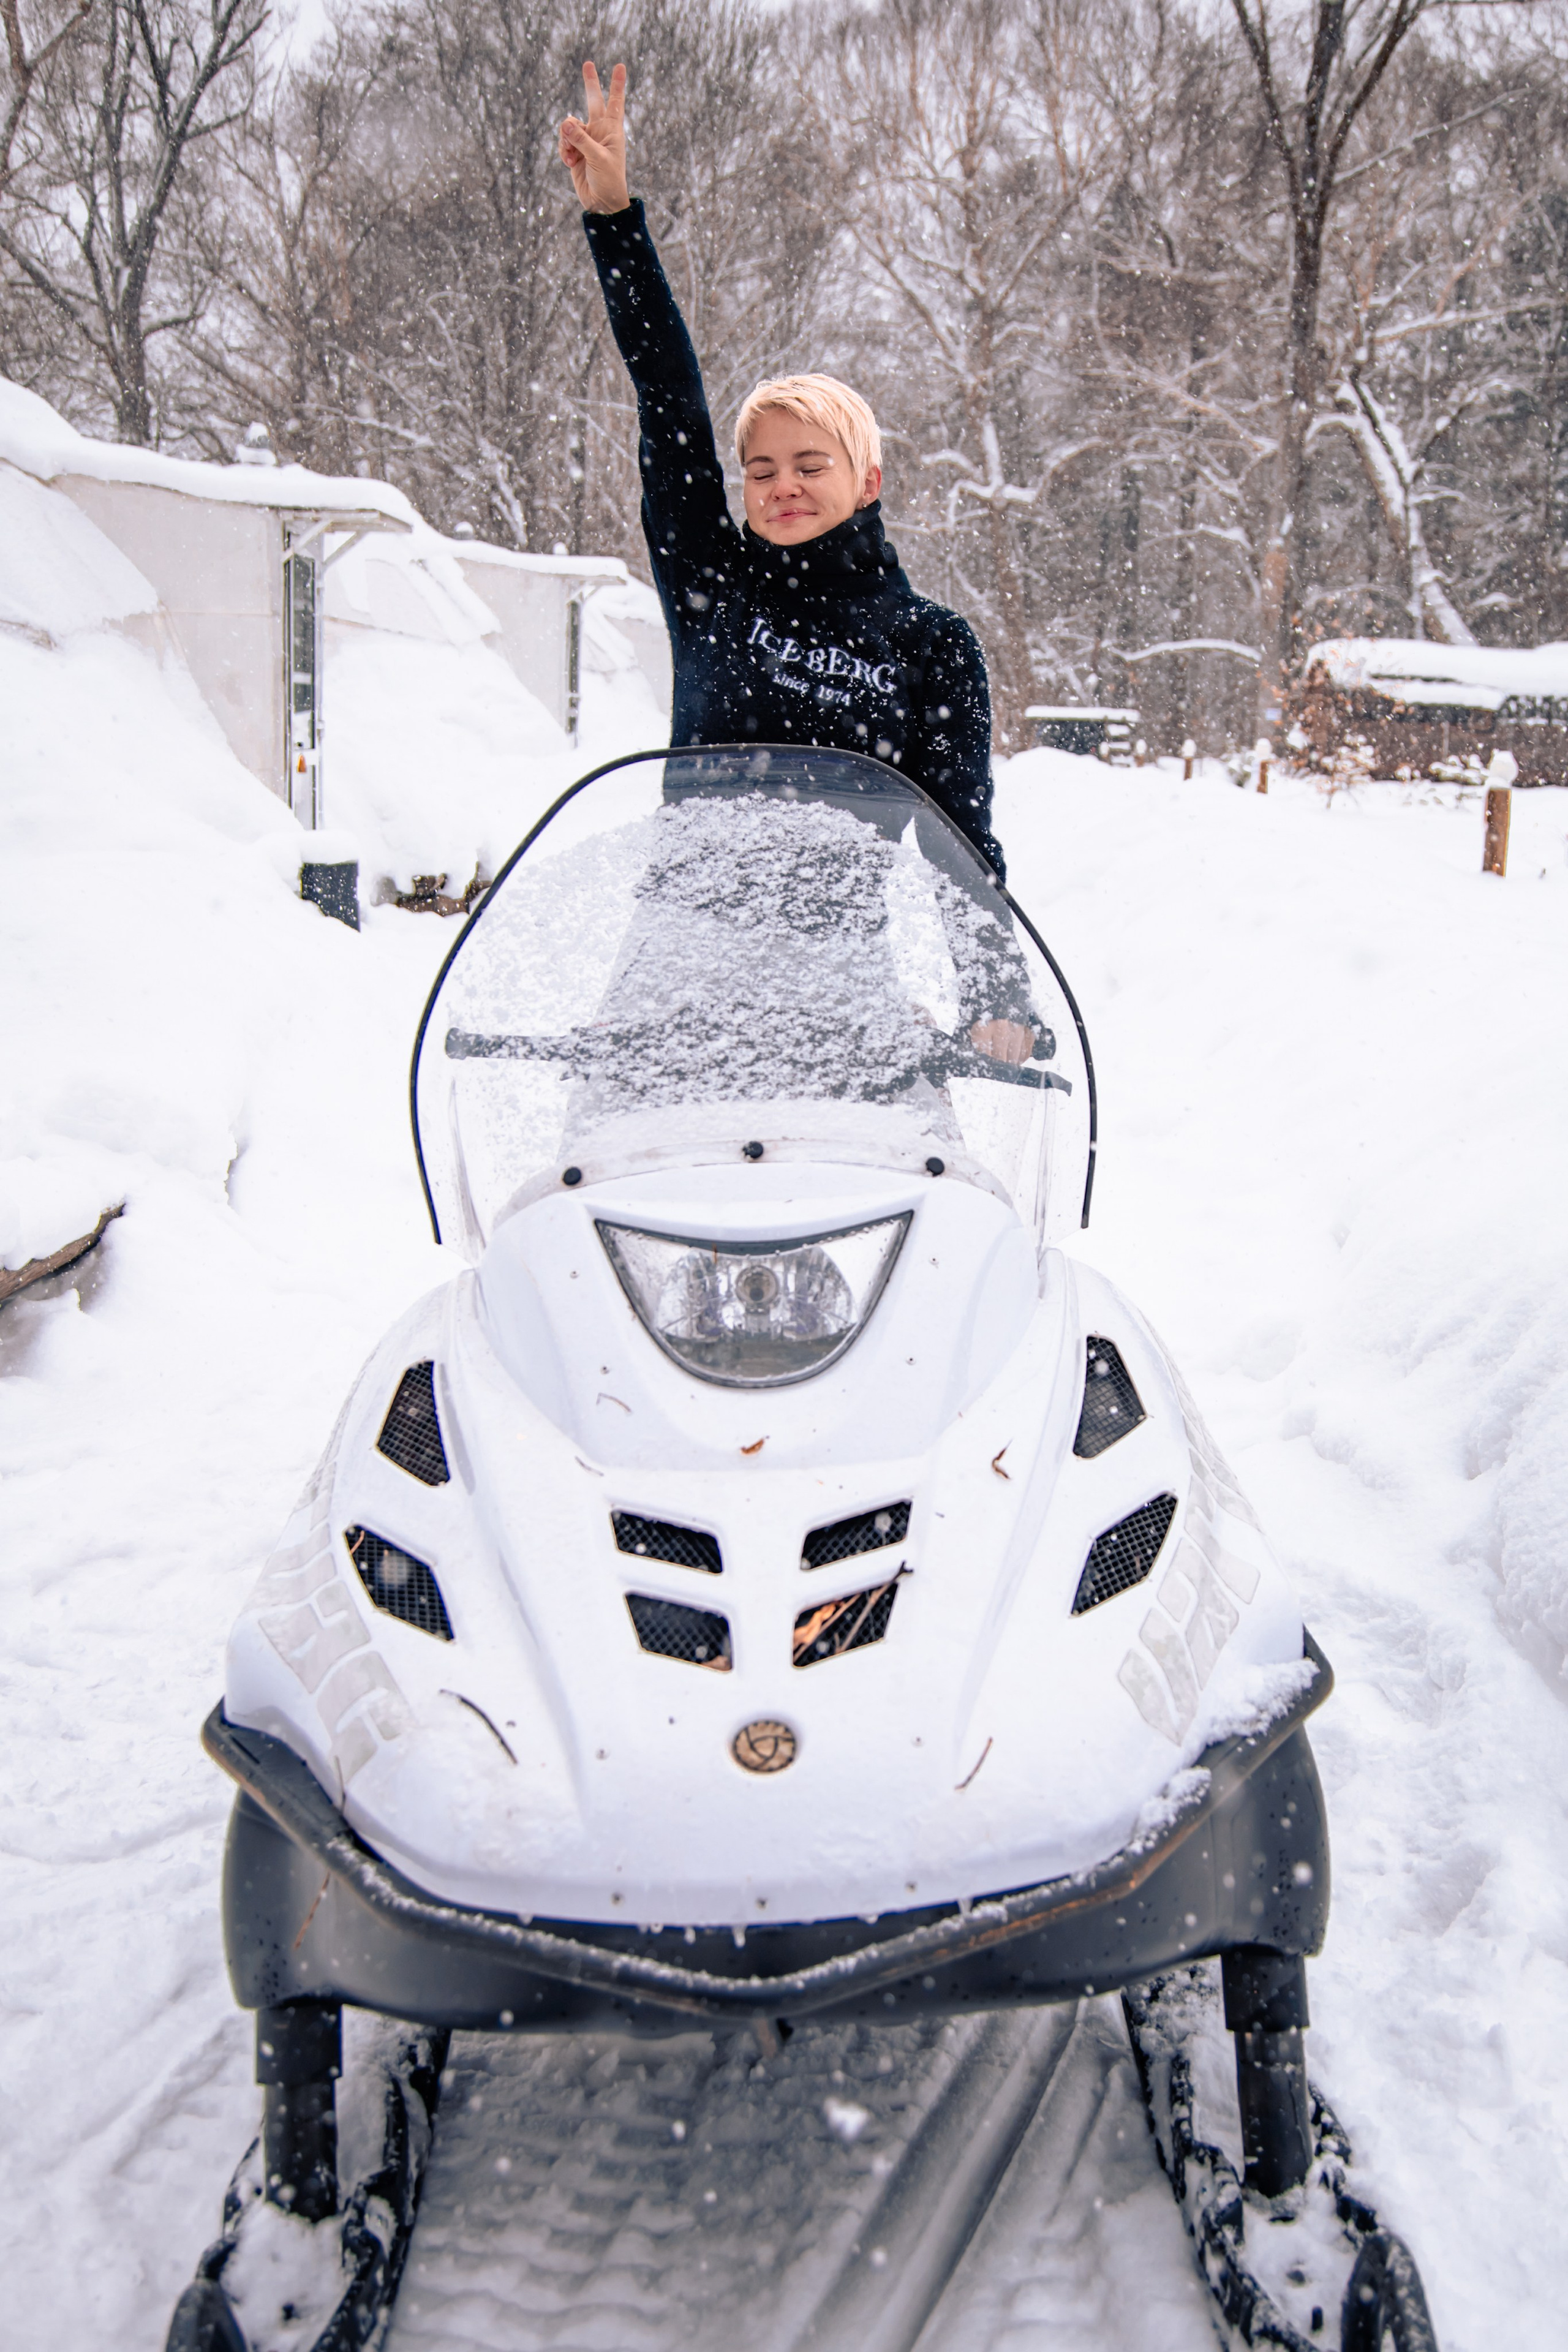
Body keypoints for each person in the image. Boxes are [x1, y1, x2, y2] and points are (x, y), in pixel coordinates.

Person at [558, 63, 1013, 919]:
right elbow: (669, 404)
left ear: (868, 480)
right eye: (761, 470)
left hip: (839, 995)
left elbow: (963, 847)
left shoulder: (929, 645)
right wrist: (616, 222)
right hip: (675, 974)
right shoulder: (712, 583)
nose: (783, 486)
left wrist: (998, 1001)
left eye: (812, 465)